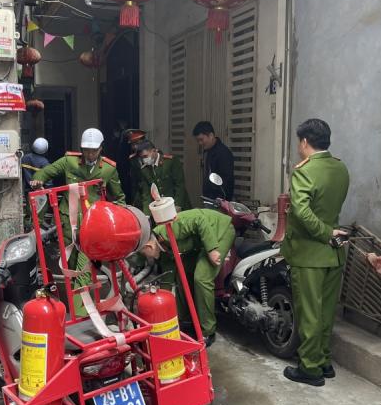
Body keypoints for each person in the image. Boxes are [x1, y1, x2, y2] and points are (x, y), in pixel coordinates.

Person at [281, 118, 350, 387]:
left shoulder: (304, 171)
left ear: (304, 142)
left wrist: (324, 232)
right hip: (334, 254)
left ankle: (310, 368)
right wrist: (330, 233)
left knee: (309, 312)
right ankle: (323, 360)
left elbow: (301, 211)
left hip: (309, 254)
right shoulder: (340, 168)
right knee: (326, 312)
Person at [30, 128, 125, 316]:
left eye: (94, 150)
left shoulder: (108, 168)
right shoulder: (69, 161)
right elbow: (45, 173)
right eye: (86, 150)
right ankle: (77, 307)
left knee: (84, 265)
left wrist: (118, 218)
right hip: (68, 221)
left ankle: (80, 312)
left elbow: (119, 197)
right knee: (71, 266)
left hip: (93, 224)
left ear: (100, 149)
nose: (90, 154)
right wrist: (37, 180)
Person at [139, 209, 236, 347]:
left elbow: (199, 220)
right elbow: (167, 278)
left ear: (149, 246)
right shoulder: (162, 247)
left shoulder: (168, 230)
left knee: (201, 278)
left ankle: (208, 330)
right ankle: (186, 319)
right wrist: (164, 311)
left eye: (144, 253)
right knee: (182, 274)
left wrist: (212, 249)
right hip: (199, 242)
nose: (147, 257)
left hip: (218, 231)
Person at [132, 140, 190, 215]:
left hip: (178, 205)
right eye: (142, 157)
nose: (144, 159)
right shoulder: (145, 170)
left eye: (145, 156)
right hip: (161, 209)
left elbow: (180, 185)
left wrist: (178, 205)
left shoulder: (170, 162)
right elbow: (146, 194)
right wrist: (147, 214)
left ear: (154, 151)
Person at [193, 121, 234, 200]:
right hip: (209, 199)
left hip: (220, 201)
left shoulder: (223, 153)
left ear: (211, 135)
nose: (200, 143)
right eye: (198, 140)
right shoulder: (208, 151)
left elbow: (226, 183)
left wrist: (218, 201)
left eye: (201, 139)